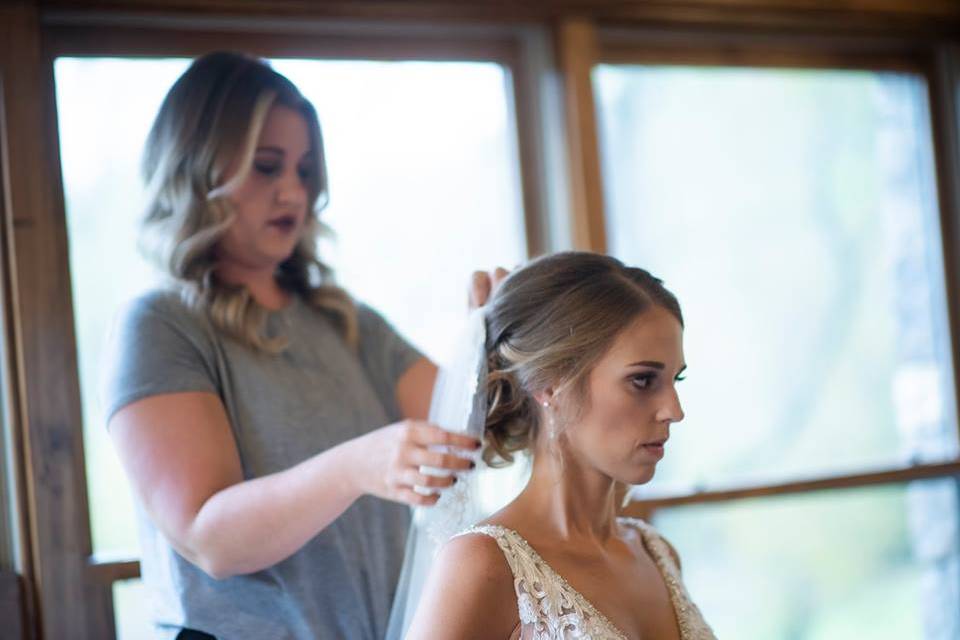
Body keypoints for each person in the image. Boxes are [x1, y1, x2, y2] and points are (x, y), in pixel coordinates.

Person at [102, 51, 500, 639]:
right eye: (267, 166)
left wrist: (492, 336)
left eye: (306, 170)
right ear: (198, 171)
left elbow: (465, 431)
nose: (293, 191)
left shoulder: (344, 321)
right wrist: (357, 467)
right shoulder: (159, 327)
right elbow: (208, 538)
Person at [404, 252, 717, 639]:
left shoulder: (658, 554)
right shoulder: (482, 566)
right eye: (642, 381)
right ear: (549, 383)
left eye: (676, 381)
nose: (674, 410)